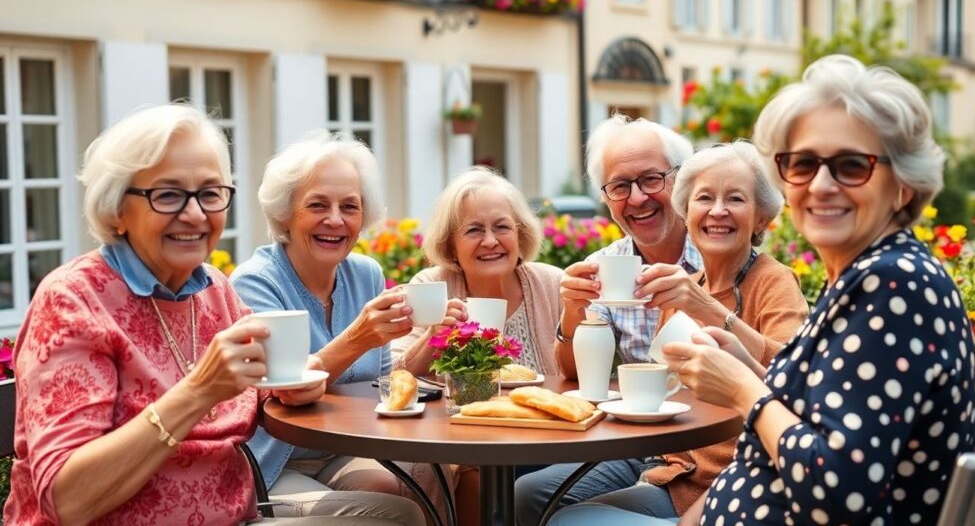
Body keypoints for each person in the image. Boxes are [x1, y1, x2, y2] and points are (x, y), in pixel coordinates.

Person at [553, 55, 975, 525]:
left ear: (903, 184)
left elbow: (838, 489)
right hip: (702, 493)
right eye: (802, 164)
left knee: (567, 520)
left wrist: (743, 387)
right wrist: (746, 360)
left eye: (852, 165)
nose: (821, 184)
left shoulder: (894, 285)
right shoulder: (869, 277)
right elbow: (819, 419)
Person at [2, 104, 420, 525]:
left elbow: (266, 388)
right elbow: (69, 501)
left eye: (209, 193)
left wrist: (293, 385)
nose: (195, 214)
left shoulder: (213, 290)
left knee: (398, 514)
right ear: (116, 209)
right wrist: (199, 390)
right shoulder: (75, 300)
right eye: (167, 194)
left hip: (237, 516)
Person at [521, 141, 808, 524]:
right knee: (529, 498)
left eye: (736, 199)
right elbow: (664, 385)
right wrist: (576, 309)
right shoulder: (683, 286)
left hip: (733, 480)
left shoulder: (772, 281)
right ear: (686, 214)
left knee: (570, 520)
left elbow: (796, 378)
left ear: (761, 218)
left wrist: (708, 309)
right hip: (672, 471)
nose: (718, 210)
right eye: (704, 199)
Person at [230, 131, 440, 522]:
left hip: (343, 449)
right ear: (285, 214)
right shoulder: (255, 282)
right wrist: (358, 337)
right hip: (273, 464)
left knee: (424, 474)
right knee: (397, 512)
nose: (335, 220)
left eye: (350, 206)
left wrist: (433, 339)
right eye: (317, 205)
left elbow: (380, 385)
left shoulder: (365, 274)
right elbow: (285, 392)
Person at [515, 115, 701, 525]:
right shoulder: (605, 267)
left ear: (681, 180)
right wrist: (572, 312)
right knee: (528, 494)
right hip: (635, 439)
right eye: (620, 186)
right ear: (606, 197)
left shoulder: (715, 251)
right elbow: (571, 374)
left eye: (652, 179)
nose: (637, 199)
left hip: (703, 441)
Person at [396, 166, 562, 377]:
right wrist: (433, 336)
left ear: (520, 235)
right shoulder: (429, 286)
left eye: (502, 227)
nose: (491, 241)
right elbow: (395, 377)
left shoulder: (553, 285)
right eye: (474, 230)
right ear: (450, 246)